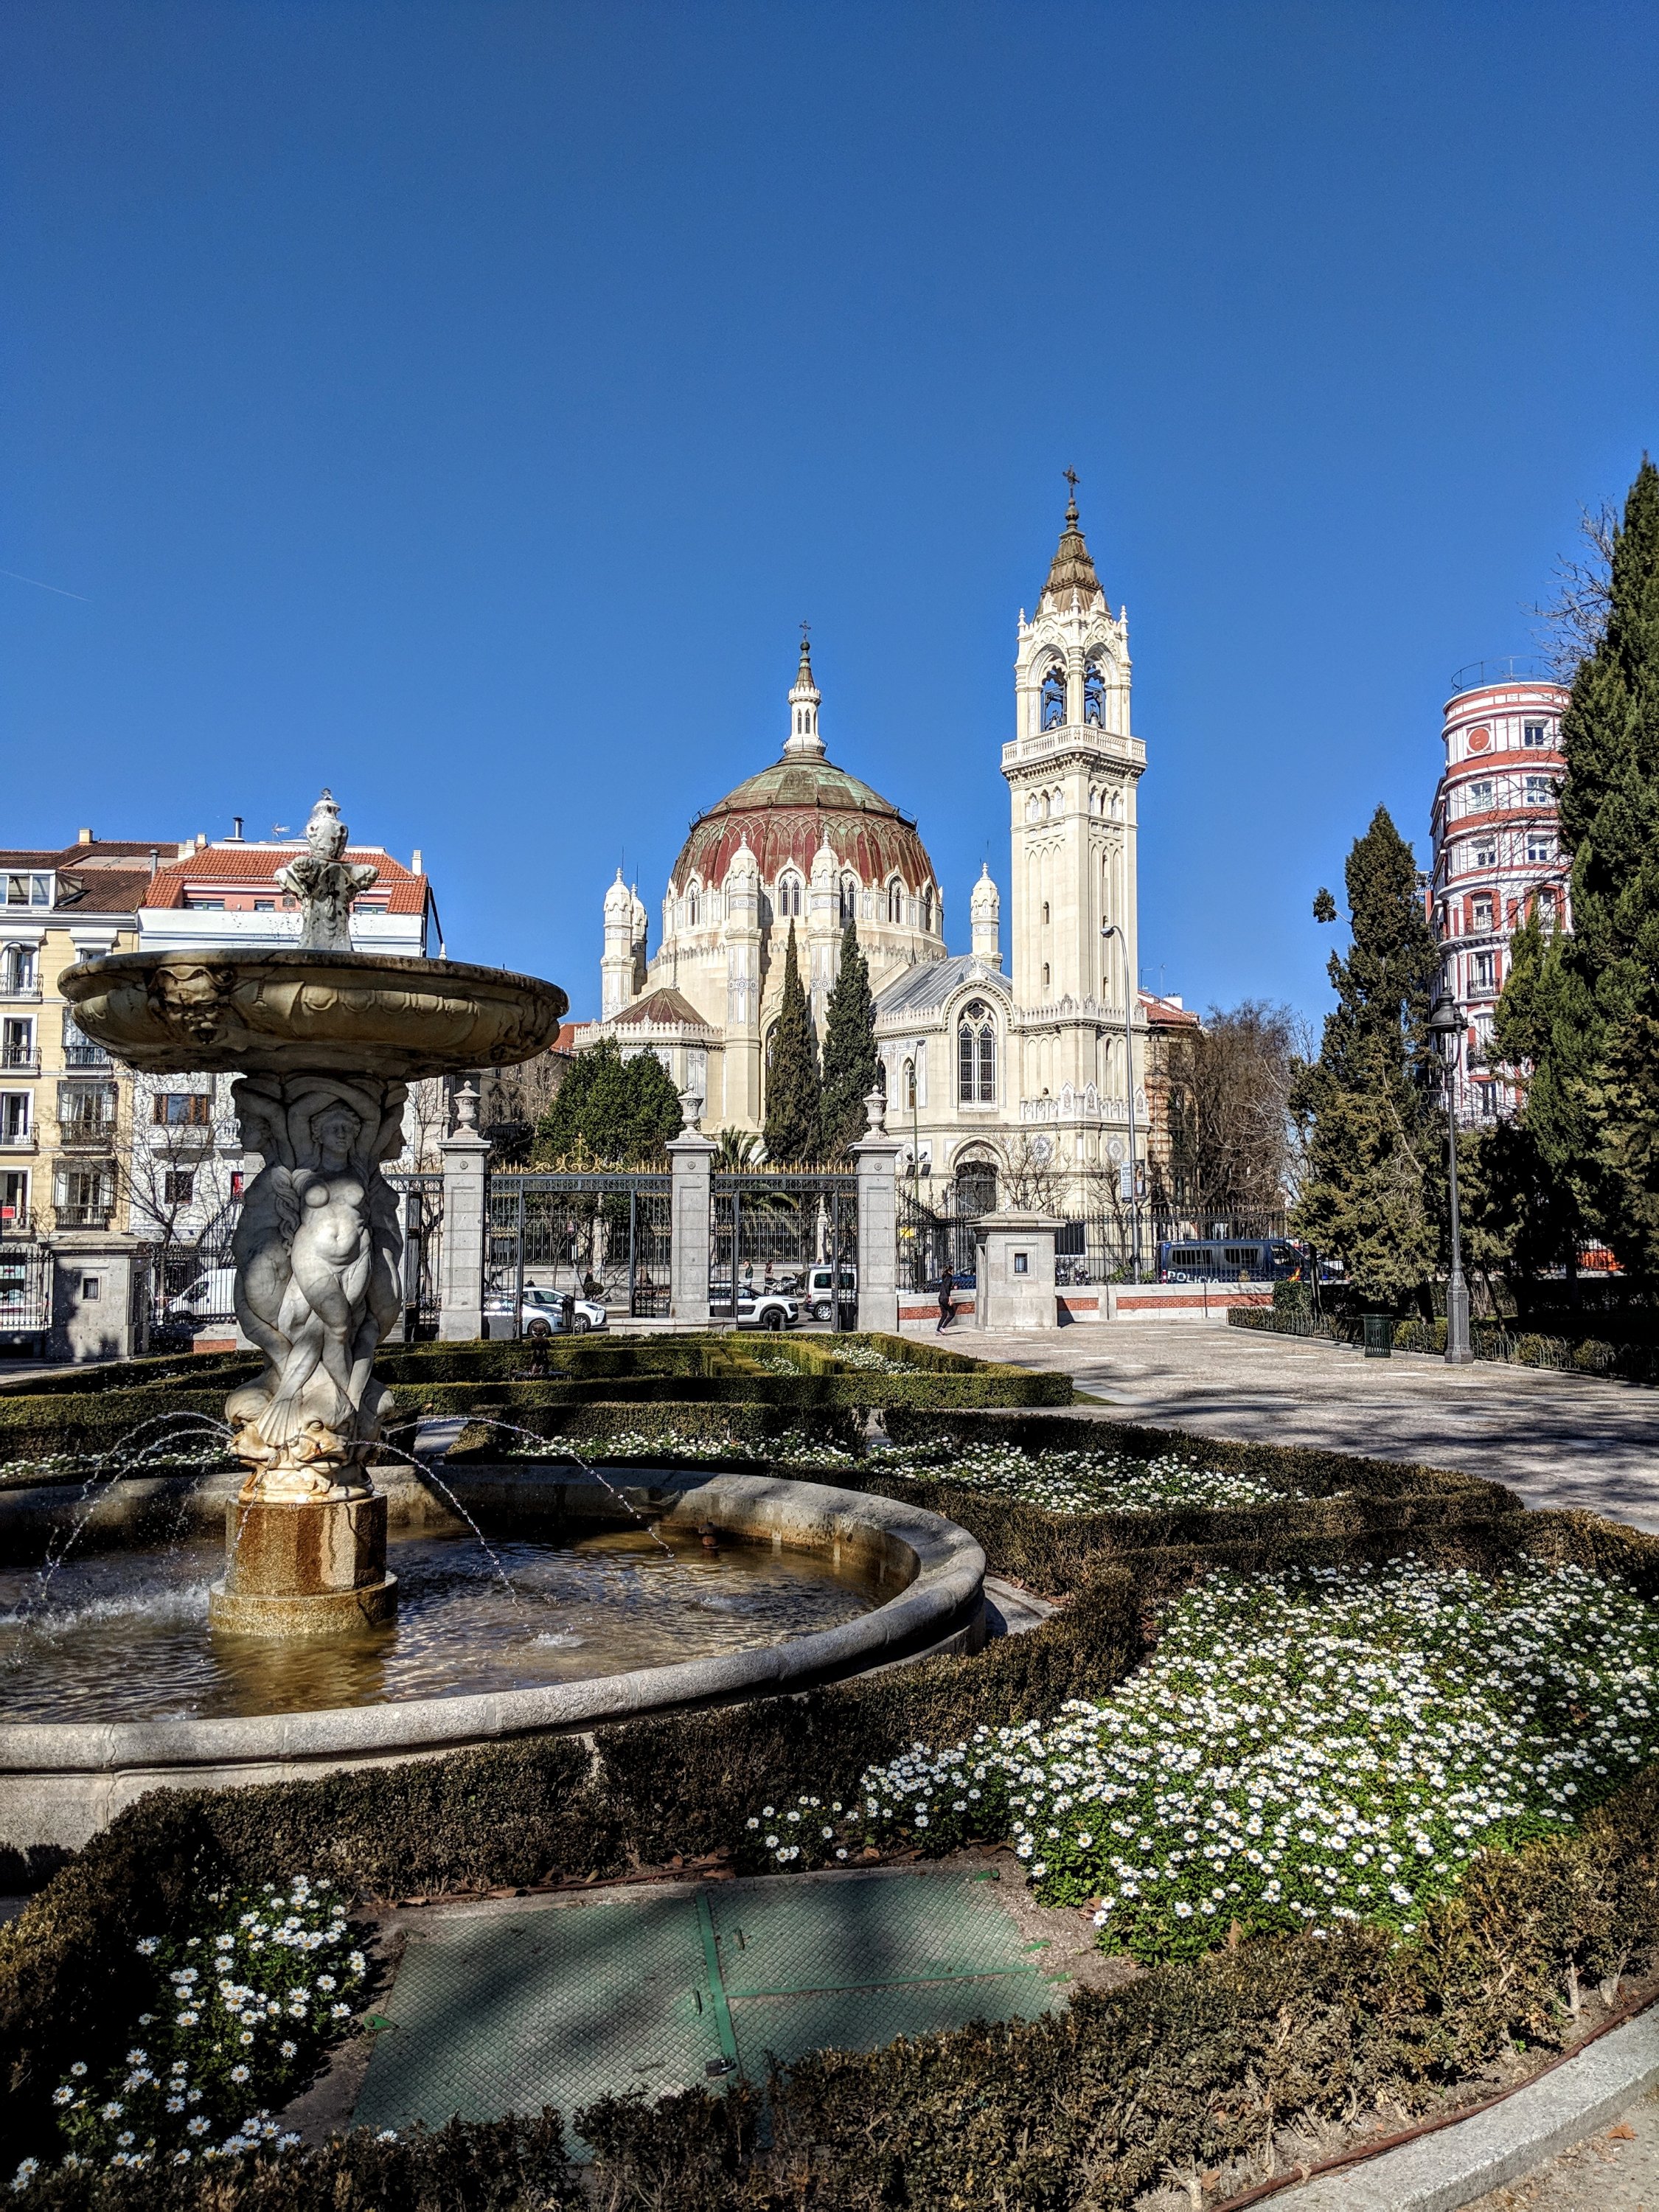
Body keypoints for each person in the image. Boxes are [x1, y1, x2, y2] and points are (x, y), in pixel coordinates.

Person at [936, 1267, 956, 1332]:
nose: (953, 1271)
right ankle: (942, 1327)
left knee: (944, 1314)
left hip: (940, 1297)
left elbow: (946, 1287)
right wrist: (950, 1299)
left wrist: (952, 1287)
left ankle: (938, 1329)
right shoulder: (949, 1277)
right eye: (952, 1270)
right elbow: (947, 1288)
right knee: (952, 1313)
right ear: (949, 1271)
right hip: (945, 1298)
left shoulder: (944, 1276)